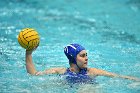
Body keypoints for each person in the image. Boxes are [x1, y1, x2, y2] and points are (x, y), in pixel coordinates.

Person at [25, 43, 140, 83]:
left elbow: (117, 76)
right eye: (82, 55)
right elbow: (34, 74)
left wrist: (135, 80)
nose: (86, 58)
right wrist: (28, 53)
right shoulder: (61, 71)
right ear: (73, 58)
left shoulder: (92, 72)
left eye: (86, 55)